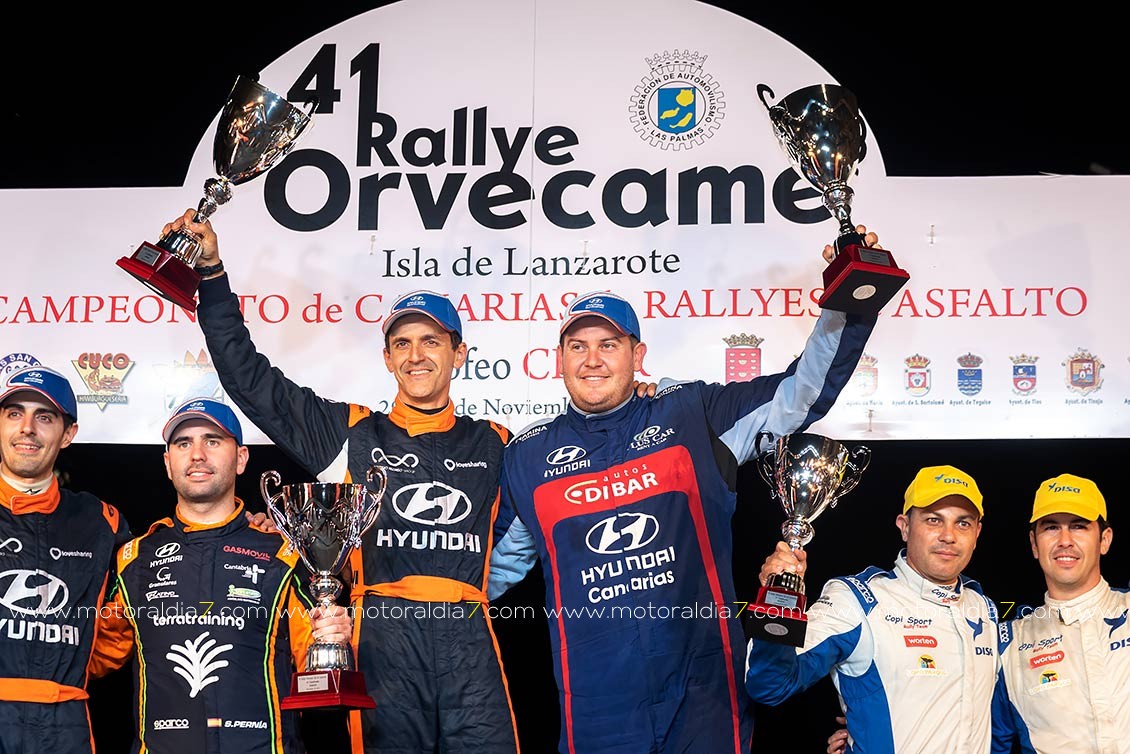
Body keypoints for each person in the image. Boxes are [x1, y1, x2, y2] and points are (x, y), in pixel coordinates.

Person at [487, 230, 879, 754]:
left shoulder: (692, 416)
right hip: (597, 709)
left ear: (637, 354)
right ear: (558, 359)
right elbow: (486, 572)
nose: (592, 360)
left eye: (608, 345)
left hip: (704, 697)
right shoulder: (529, 456)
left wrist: (851, 300)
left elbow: (799, 395)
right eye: (577, 347)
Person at [165, 210, 520, 754]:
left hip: (469, 641)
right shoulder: (352, 434)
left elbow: (542, 520)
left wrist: (640, 402)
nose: (416, 355)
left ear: (459, 353)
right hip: (383, 644)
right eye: (402, 343)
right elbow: (250, 380)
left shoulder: (495, 441)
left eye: (431, 341)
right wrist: (212, 276)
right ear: (387, 358)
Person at [88, 398, 345, 753]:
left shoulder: (284, 554)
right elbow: (89, 656)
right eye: (183, 443)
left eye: (212, 441)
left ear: (241, 458)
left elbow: (317, 672)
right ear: (168, 463)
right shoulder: (133, 559)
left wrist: (334, 639)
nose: (197, 454)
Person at [747, 465, 999, 754]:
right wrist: (779, 598)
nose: (948, 536)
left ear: (977, 533)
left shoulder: (983, 609)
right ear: (905, 526)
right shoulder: (857, 600)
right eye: (933, 520)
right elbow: (769, 685)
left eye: (963, 523)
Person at [0, 365, 131, 754]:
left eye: (44, 417)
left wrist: (71, 661)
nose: (27, 428)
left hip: (64, 720)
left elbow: (125, 618)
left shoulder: (102, 522)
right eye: (14, 414)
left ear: (68, 434)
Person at [992, 474, 1129, 753]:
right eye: (1052, 527)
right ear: (1034, 544)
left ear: (1104, 540)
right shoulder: (1007, 643)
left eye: (1078, 526)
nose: (1065, 540)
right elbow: (994, 745)